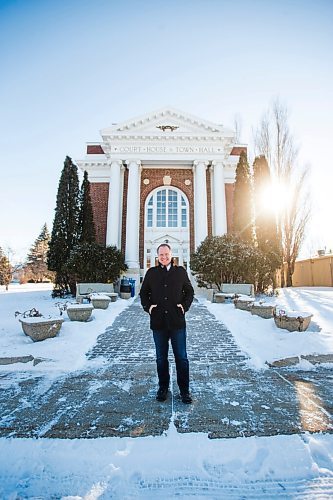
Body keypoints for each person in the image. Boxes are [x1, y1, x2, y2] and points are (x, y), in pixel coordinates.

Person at [140, 243, 194, 404]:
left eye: (166, 254)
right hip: (158, 323)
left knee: (181, 358)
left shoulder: (180, 272)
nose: (164, 257)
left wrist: (184, 306)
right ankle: (163, 388)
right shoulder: (151, 273)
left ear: (171, 255)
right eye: (161, 255)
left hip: (177, 321)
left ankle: (184, 390)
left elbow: (189, 291)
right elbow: (143, 293)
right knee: (161, 359)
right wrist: (148, 307)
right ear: (158, 256)